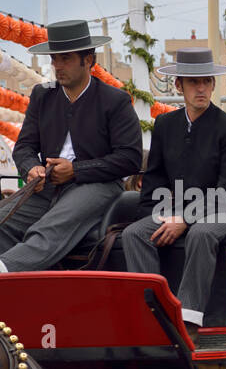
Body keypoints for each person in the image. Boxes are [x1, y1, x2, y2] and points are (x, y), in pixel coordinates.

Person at [121, 47, 226, 338]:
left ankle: (189, 321)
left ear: (214, 84)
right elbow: (154, 179)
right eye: (193, 82)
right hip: (176, 209)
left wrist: (185, 218)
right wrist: (157, 216)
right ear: (179, 86)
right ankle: (154, 315)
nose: (201, 88)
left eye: (206, 81)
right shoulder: (165, 125)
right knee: (134, 234)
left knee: (202, 232)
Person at [3, 19, 142, 272]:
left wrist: (76, 171)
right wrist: (32, 168)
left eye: (65, 58)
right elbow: (23, 147)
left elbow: (130, 158)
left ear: (89, 60)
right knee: (3, 221)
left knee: (49, 229)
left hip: (98, 185)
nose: (57, 66)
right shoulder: (42, 95)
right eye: (54, 59)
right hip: (47, 184)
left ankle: (6, 271)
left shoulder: (116, 100)